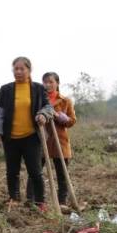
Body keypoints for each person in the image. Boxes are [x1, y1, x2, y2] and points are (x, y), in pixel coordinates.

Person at [0, 57, 53, 211]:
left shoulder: (38, 89)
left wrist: (43, 114)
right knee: (12, 171)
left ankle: (40, 202)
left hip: (31, 137)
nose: (18, 72)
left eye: (22, 69)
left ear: (29, 70)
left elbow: (48, 107)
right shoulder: (5, 89)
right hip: (11, 138)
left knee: (35, 171)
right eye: (16, 69)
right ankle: (14, 198)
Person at [38, 72, 76, 205]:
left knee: (62, 175)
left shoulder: (65, 101)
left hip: (60, 141)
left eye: (50, 82)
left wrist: (61, 117)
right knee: (36, 172)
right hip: (42, 139)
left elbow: (72, 121)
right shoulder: (38, 100)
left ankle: (62, 203)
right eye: (45, 82)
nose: (47, 85)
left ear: (57, 83)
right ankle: (35, 202)